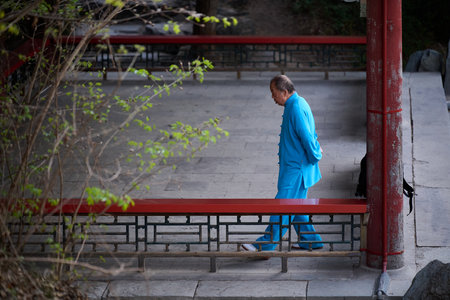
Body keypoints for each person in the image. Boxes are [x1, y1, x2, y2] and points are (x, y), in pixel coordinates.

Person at [242, 75, 324, 252]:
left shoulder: (295, 108)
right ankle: (311, 241)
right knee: (296, 207)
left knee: (283, 206)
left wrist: (316, 154)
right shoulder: (297, 103)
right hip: (294, 167)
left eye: (273, 93)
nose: (273, 97)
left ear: (284, 92)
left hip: (296, 170)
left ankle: (264, 245)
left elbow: (307, 137)